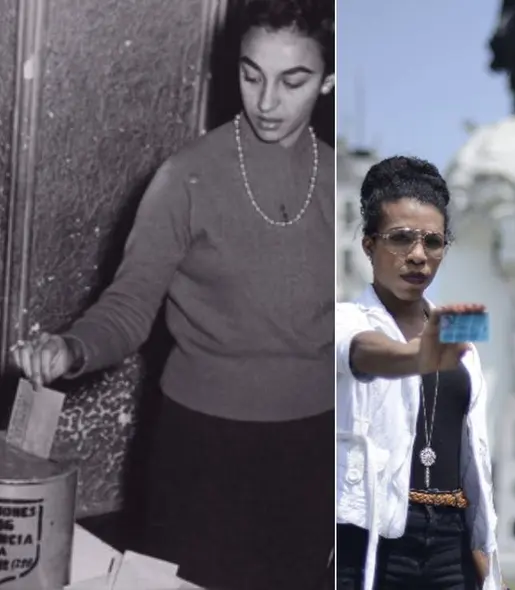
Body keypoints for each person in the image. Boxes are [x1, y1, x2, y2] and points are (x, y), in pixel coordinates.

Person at [8, 1, 334, 588]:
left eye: (293, 81)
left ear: (328, 80)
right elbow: (129, 304)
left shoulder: (348, 185)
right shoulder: (186, 177)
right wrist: (72, 348)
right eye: (251, 75)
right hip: (200, 449)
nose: (266, 102)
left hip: (312, 450)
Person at [335, 155, 505, 590]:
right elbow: (364, 352)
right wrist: (414, 358)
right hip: (371, 538)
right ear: (369, 245)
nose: (417, 256)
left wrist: (488, 567)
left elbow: (472, 461)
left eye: (433, 241)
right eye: (400, 238)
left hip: (450, 540)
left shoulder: (459, 340)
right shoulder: (343, 319)